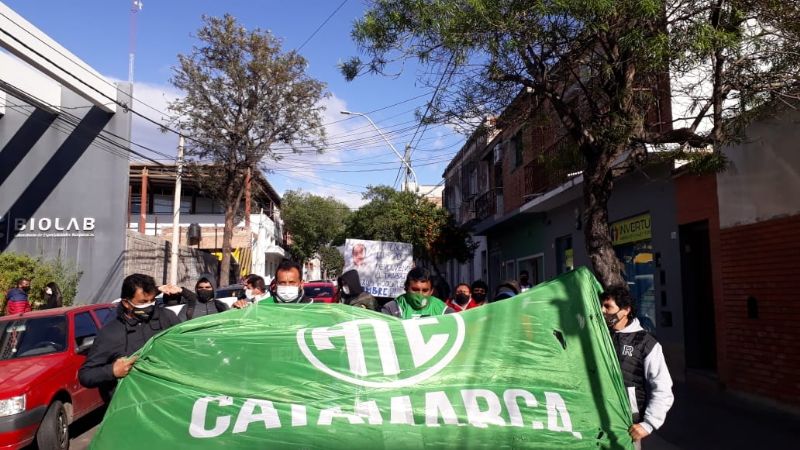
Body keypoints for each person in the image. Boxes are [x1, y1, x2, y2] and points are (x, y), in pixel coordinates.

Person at [78, 274, 181, 401]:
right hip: (129, 407)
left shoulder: (168, 318)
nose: (149, 306)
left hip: (166, 402)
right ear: (127, 303)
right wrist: (112, 371)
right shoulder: (111, 333)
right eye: (143, 302)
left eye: (152, 300)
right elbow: (86, 375)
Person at [600, 286, 673, 449]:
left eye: (608, 306)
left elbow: (663, 387)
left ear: (626, 310)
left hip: (627, 424)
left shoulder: (646, 343)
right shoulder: (599, 336)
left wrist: (648, 424)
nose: (602, 311)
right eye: (601, 306)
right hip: (597, 419)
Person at [381, 268, 454, 318]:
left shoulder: (444, 311)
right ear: (406, 288)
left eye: (425, 290)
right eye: (415, 289)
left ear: (431, 291)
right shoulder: (391, 308)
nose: (420, 294)